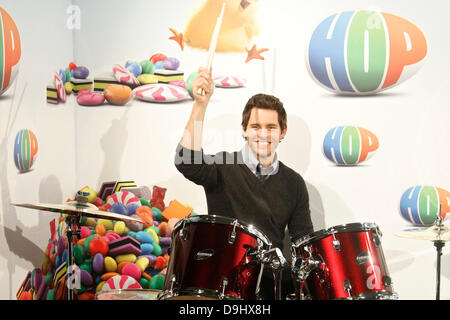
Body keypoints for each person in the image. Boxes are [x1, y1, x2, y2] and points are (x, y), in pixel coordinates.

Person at [174, 67, 313, 299]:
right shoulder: (222, 166)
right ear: (244, 131)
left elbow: (303, 243)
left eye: (271, 127)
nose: (263, 134)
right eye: (256, 127)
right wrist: (200, 105)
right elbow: (185, 161)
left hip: (270, 287)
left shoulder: (294, 183)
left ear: (283, 132)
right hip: (221, 283)